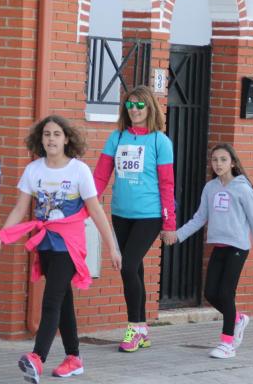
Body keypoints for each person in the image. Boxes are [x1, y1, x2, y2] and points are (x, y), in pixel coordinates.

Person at [0, 115, 121, 384]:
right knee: (63, 301)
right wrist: (1, 237)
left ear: (67, 139)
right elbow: (20, 208)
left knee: (50, 301)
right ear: (41, 139)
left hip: (68, 246)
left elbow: (95, 210)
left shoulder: (78, 170)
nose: (51, 139)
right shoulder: (34, 169)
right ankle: (74, 358)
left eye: (57, 134)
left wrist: (113, 247)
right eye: (46, 134)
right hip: (45, 245)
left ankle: (37, 358)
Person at [165, 143, 253, 359]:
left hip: (237, 248)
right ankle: (237, 320)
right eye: (215, 160)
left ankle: (227, 344)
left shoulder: (243, 189)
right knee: (210, 293)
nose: (218, 164)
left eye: (223, 159)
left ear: (232, 162)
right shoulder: (210, 188)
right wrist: (178, 234)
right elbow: (199, 218)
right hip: (219, 246)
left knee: (226, 293)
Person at [93, 85, 177, 352]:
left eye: (140, 105)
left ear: (150, 107)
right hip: (120, 213)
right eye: (130, 104)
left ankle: (134, 326)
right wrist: (85, 203)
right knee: (135, 268)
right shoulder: (116, 138)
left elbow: (167, 184)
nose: (134, 110)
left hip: (149, 215)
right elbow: (101, 176)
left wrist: (169, 223)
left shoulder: (160, 142)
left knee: (128, 266)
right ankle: (142, 330)